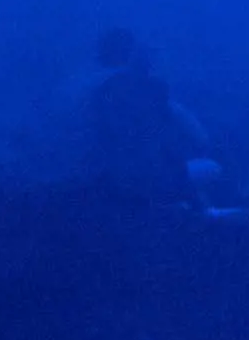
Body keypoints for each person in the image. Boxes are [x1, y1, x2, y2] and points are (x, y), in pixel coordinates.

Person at [89, 28, 229, 213]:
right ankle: (199, 213)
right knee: (212, 167)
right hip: (138, 181)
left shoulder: (88, 87)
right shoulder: (148, 89)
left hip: (99, 177)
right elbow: (197, 139)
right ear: (134, 55)